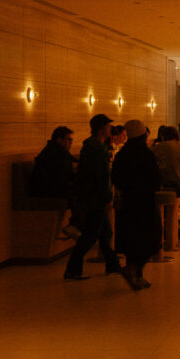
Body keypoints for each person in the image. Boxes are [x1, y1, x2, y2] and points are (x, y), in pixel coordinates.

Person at [64, 114, 123, 281]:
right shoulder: (97, 149)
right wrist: (107, 196)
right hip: (95, 197)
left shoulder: (92, 146)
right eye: (108, 126)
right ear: (101, 129)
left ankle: (112, 264)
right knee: (91, 234)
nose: (110, 129)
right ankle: (73, 269)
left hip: (90, 195)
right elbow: (100, 176)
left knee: (104, 232)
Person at [111, 119, 161, 290]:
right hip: (145, 201)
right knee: (150, 238)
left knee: (132, 238)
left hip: (128, 202)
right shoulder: (146, 155)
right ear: (143, 135)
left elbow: (115, 178)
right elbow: (156, 180)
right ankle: (133, 270)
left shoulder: (122, 154)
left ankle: (136, 275)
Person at [28, 125, 79, 235]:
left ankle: (76, 225)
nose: (71, 142)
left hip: (48, 187)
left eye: (71, 140)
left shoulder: (57, 150)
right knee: (81, 192)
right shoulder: (54, 152)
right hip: (45, 190)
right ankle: (75, 225)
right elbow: (64, 171)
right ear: (59, 140)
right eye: (69, 139)